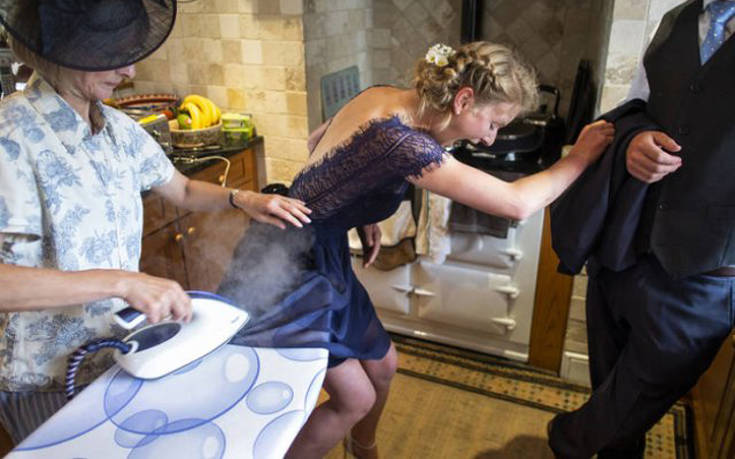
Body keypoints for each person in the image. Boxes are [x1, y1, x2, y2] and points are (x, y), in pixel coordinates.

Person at [217, 41, 614, 459]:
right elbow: (517, 203)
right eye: (493, 123)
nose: (489, 137)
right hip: (287, 267)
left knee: (384, 366)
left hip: (318, 250)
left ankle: (362, 447)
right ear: (464, 100)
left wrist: (359, 209)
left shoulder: (384, 94)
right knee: (355, 399)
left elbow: (321, 142)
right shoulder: (402, 143)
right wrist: (579, 156)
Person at [0, 0, 310, 445]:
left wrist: (242, 199)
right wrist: (123, 282)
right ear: (65, 48)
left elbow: (181, 189)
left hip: (112, 357)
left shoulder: (116, 128)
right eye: (114, 55)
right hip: (45, 377)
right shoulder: (11, 137)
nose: (129, 71)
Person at [547, 0, 735, 457]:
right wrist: (634, 140)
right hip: (624, 245)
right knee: (611, 394)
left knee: (631, 403)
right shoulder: (677, 20)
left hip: (704, 273)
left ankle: (566, 439)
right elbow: (636, 108)